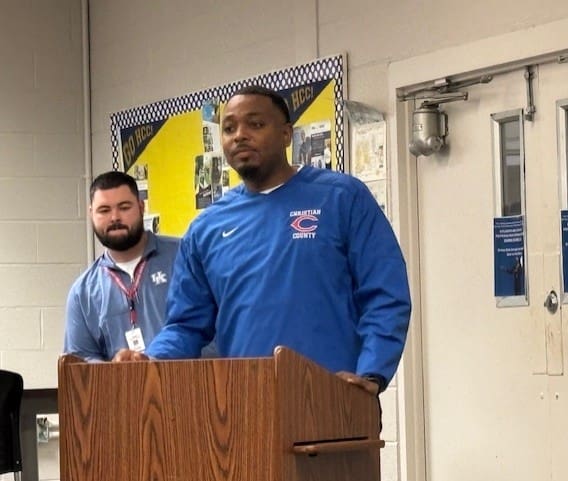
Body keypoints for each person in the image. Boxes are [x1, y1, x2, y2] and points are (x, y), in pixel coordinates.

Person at [114, 86, 411, 397]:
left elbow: (385, 294)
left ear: (286, 134)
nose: (240, 136)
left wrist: (372, 373)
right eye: (229, 128)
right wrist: (150, 359)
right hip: (245, 406)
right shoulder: (206, 228)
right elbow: (186, 325)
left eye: (255, 124)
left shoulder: (341, 197)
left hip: (335, 400)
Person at [64, 171, 217, 361]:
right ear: (91, 214)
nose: (114, 217)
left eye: (124, 207)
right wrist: (115, 370)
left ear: (141, 207)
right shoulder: (83, 292)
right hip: (123, 381)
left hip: (192, 378)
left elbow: (216, 330)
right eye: (104, 210)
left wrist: (157, 365)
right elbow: (81, 360)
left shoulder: (185, 256)